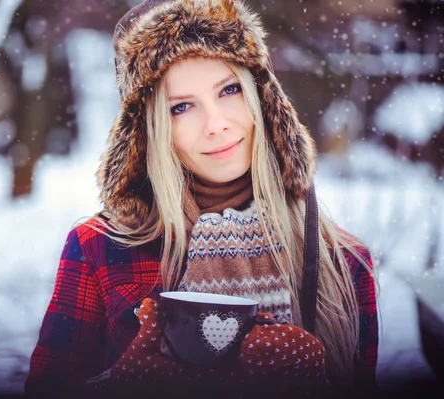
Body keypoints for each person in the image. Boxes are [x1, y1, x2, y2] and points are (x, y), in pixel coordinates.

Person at [25, 0, 379, 397]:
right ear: (151, 129)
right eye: (181, 107)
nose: (216, 125)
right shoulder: (100, 248)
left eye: (229, 90)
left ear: (263, 99)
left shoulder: (344, 263)